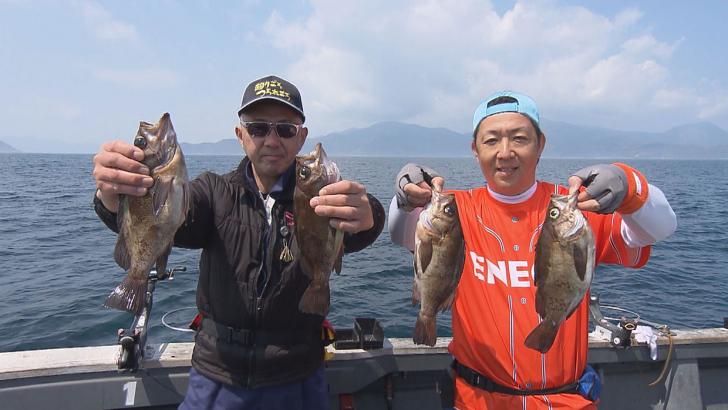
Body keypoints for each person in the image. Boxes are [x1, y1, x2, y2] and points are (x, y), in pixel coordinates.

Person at [92, 75, 385, 410]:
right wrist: (112, 198)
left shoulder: (318, 195)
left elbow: (358, 228)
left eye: (285, 129)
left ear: (301, 137)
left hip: (299, 376)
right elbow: (170, 222)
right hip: (216, 377)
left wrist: (369, 215)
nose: (271, 140)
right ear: (240, 135)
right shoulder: (212, 192)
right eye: (258, 128)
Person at [388, 91, 677, 409]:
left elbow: (660, 229)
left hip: (568, 401)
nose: (505, 152)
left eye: (520, 138)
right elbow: (401, 233)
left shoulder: (576, 210)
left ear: (540, 145)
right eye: (491, 141)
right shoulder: (456, 209)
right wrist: (404, 200)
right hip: (474, 400)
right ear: (475, 150)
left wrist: (629, 187)